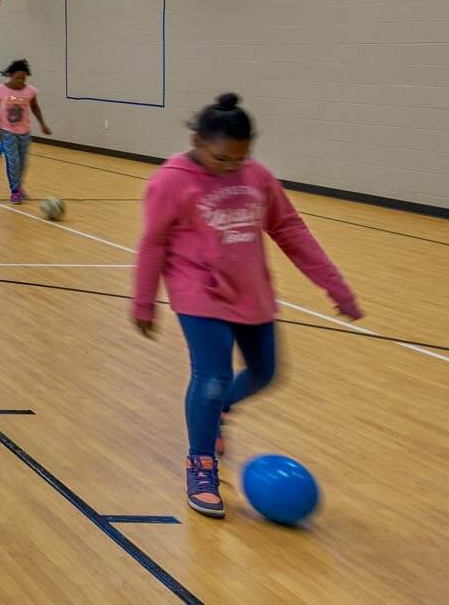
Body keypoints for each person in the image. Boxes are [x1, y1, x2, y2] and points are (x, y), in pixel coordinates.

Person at [132, 93, 361, 518]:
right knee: (212, 377)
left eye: (240, 159)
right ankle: (200, 464)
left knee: (265, 373)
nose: (231, 168)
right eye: (222, 160)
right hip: (198, 292)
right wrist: (144, 302)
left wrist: (335, 286)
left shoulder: (258, 177)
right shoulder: (170, 180)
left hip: (251, 291)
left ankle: (215, 413)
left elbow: (290, 230)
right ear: (199, 141)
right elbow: (153, 243)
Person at [0, 59, 50, 202]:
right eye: (18, 78)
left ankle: (19, 185)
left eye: (23, 78)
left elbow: (34, 107)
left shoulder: (30, 91)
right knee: (13, 161)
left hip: (24, 131)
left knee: (23, 162)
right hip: (6, 130)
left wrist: (42, 124)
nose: (20, 81)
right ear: (10, 75)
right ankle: (15, 190)